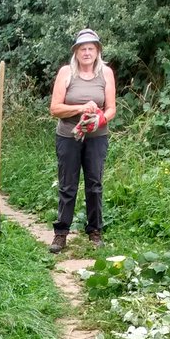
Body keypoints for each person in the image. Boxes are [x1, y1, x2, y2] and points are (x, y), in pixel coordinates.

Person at [48, 29, 116, 252]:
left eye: (91, 48)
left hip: (96, 137)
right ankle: (61, 233)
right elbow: (55, 109)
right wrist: (81, 108)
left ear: (97, 51)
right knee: (68, 184)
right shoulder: (66, 72)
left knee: (94, 184)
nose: (87, 52)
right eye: (82, 49)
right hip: (68, 136)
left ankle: (95, 231)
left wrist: (100, 120)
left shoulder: (106, 73)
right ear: (76, 52)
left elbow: (111, 108)